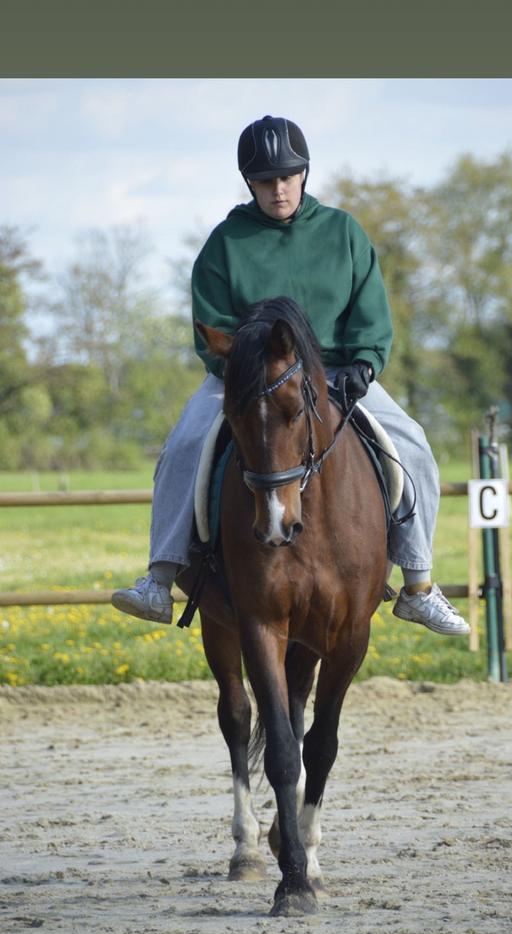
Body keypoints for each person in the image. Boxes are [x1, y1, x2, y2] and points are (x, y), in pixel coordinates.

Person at [112, 115, 469, 637]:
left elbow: (370, 312)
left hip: (339, 375)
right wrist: (244, 370)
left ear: (304, 174)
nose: (278, 189)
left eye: (287, 177)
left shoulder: (343, 232)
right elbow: (210, 327)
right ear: (248, 182)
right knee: (184, 443)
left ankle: (417, 585)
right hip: (252, 375)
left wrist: (364, 364)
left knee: (413, 443)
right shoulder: (225, 243)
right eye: (265, 180)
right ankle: (159, 578)